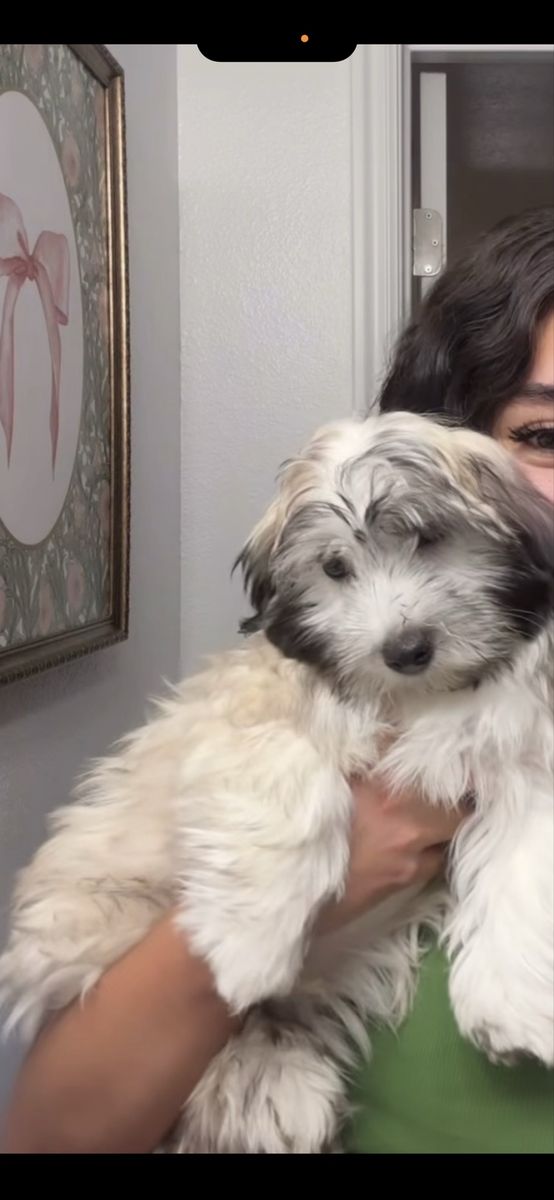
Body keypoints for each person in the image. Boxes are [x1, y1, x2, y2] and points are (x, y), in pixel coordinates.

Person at [3, 207, 553, 1155]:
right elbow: (51, 1135)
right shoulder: (304, 720)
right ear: (447, 456)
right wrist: (324, 886)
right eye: (545, 433)